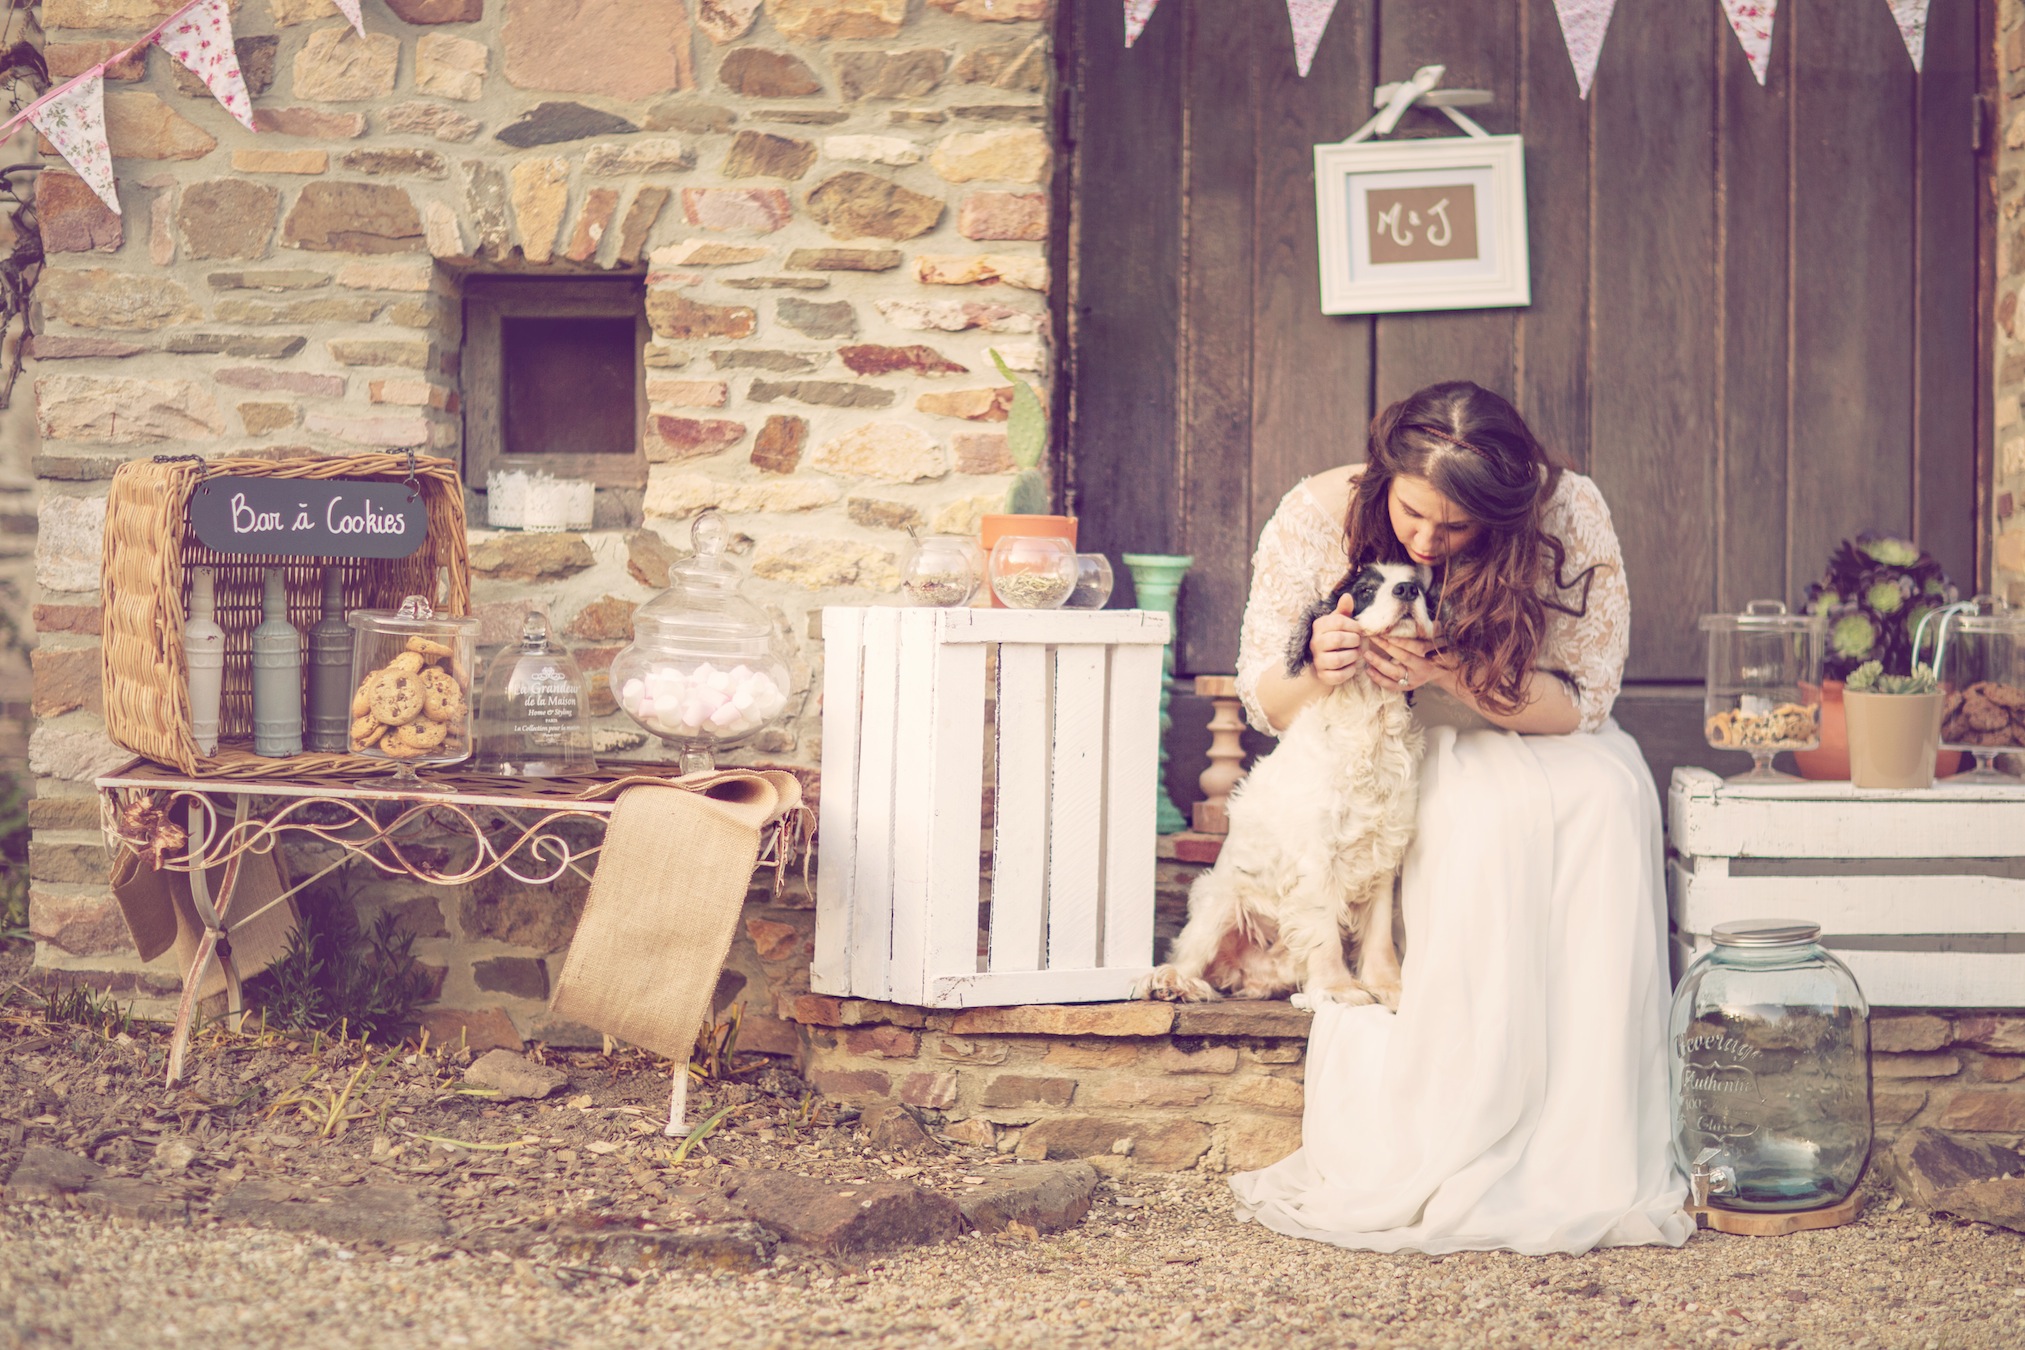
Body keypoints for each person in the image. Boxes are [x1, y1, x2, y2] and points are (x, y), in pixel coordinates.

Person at [1224, 380, 1692, 1256]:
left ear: (1507, 510)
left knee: (1605, 796)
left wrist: (1448, 672)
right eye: (1411, 514)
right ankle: (1459, 1113)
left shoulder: (1570, 509)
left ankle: (1584, 1133)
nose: (1428, 542)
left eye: (1456, 528)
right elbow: (1267, 700)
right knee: (1478, 814)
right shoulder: (1316, 510)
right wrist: (1321, 666)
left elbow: (1583, 700)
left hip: (1523, 712)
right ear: (1384, 476)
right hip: (1386, 733)